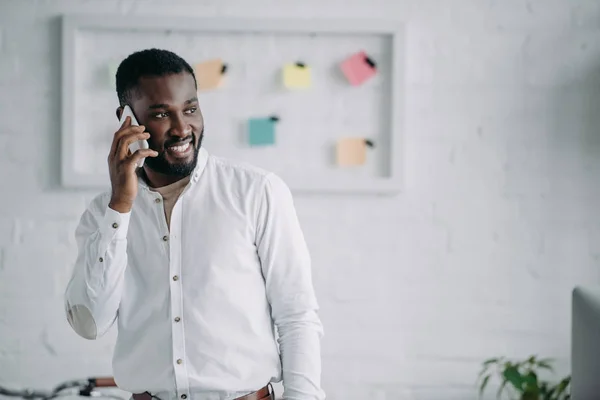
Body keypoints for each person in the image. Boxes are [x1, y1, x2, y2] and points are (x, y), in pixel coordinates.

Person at [64, 48, 324, 400]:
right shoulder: (104, 213)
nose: (182, 128)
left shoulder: (258, 192)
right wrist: (120, 207)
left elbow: (297, 316)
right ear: (127, 119)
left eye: (190, 108)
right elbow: (89, 324)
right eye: (161, 114)